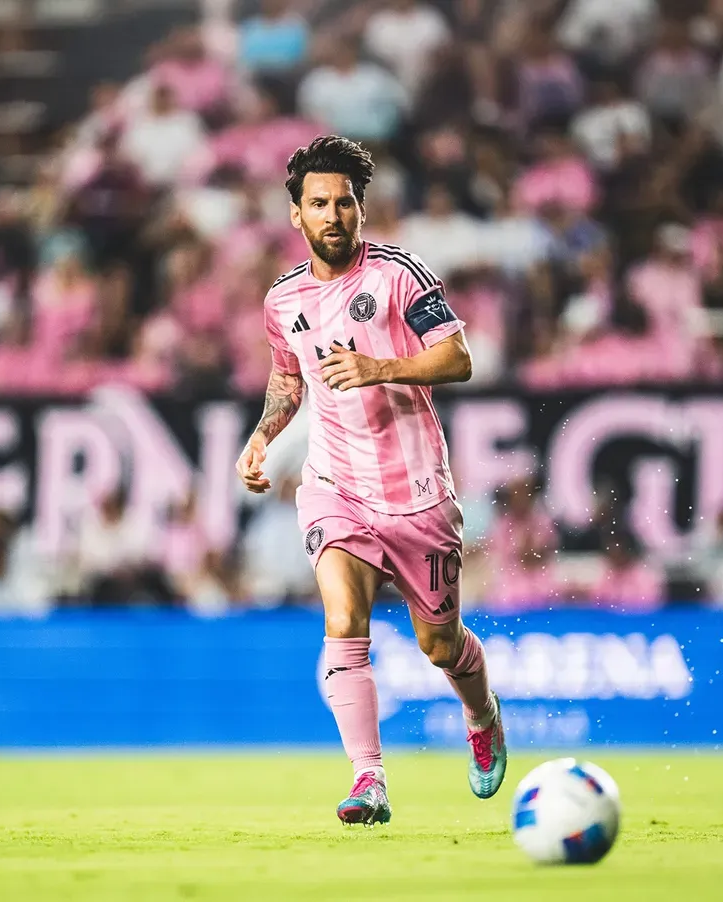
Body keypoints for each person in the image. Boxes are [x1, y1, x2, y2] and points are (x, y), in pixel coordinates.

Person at [235, 136, 507, 826]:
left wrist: (380, 367)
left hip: (418, 495)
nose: (334, 215)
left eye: (345, 202)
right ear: (295, 214)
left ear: (362, 209)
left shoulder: (398, 276)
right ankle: (369, 778)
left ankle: (482, 715)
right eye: (319, 203)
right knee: (342, 621)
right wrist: (263, 436)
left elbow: (459, 358)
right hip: (336, 487)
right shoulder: (282, 300)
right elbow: (287, 377)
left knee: (439, 645)